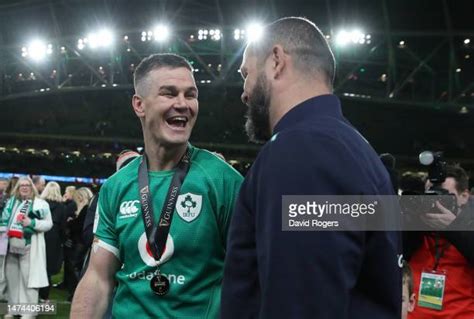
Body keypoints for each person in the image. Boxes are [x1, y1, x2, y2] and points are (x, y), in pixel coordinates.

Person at [221, 17, 401, 319]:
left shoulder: (301, 151)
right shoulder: (354, 148)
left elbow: (300, 305)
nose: (244, 91)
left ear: (276, 61)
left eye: (246, 73)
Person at [71, 53, 243, 318]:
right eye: (169, 93)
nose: (183, 104)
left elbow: (259, 272)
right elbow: (98, 279)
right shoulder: (116, 186)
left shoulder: (223, 181)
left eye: (191, 94)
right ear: (139, 105)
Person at [405, 165, 474, 318]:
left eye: (444, 196)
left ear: (464, 196)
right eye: (430, 195)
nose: (436, 202)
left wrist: (455, 229)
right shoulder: (416, 226)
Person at [0, 176, 52, 317]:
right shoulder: (12, 202)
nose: (24, 187)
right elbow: (4, 220)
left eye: (27, 185)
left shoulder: (41, 204)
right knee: (12, 279)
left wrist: (32, 223)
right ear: (17, 188)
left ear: (32, 187)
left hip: (30, 246)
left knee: (29, 279)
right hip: (11, 246)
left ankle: (29, 312)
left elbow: (48, 224)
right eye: (21, 185)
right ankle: (13, 309)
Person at [38, 181, 67, 301]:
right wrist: (63, 240)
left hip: (40, 234)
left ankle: (35, 295)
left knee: (37, 265)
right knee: (48, 269)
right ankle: (45, 297)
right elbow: (63, 227)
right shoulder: (62, 207)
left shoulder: (39, 204)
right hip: (54, 238)